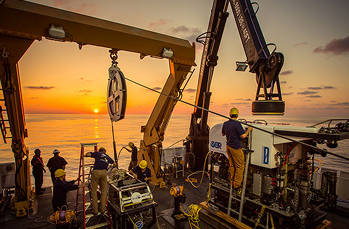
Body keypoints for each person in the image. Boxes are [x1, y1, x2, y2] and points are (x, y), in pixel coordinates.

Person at [222, 107, 252, 189]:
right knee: (240, 166)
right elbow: (243, 136)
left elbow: (223, 134)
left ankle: (232, 180)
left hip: (228, 146)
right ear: (237, 115)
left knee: (232, 164)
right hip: (236, 147)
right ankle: (236, 185)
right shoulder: (237, 124)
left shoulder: (225, 123)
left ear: (230, 115)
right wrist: (249, 130)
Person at [85, 147, 114, 215]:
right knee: (104, 191)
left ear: (100, 151)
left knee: (94, 191)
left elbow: (89, 154)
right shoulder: (107, 156)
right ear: (105, 151)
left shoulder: (98, 153)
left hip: (96, 172)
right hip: (104, 173)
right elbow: (113, 162)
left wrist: (85, 154)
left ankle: (95, 211)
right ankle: (103, 210)